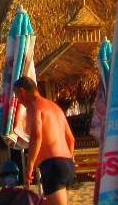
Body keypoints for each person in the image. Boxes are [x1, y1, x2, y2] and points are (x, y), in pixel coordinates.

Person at [14, 77, 75, 205]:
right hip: (68, 163)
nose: (18, 101)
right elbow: (71, 139)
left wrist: (30, 166)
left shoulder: (33, 107)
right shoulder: (55, 107)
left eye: (17, 96)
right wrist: (68, 162)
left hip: (52, 164)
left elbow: (37, 136)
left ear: (22, 91)